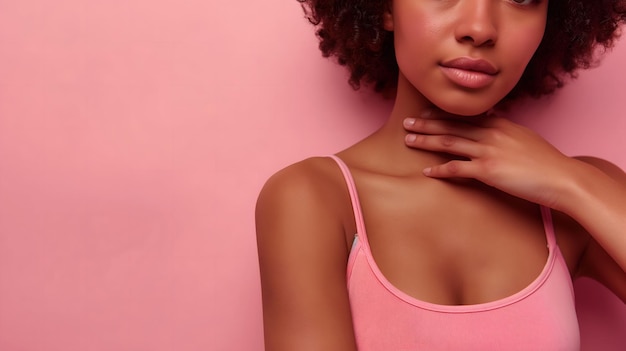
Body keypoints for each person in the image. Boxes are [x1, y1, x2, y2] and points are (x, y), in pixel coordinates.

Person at [256, 0, 626, 350]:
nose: (480, 28)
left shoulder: (576, 196)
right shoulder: (314, 199)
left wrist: (572, 183)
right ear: (386, 7)